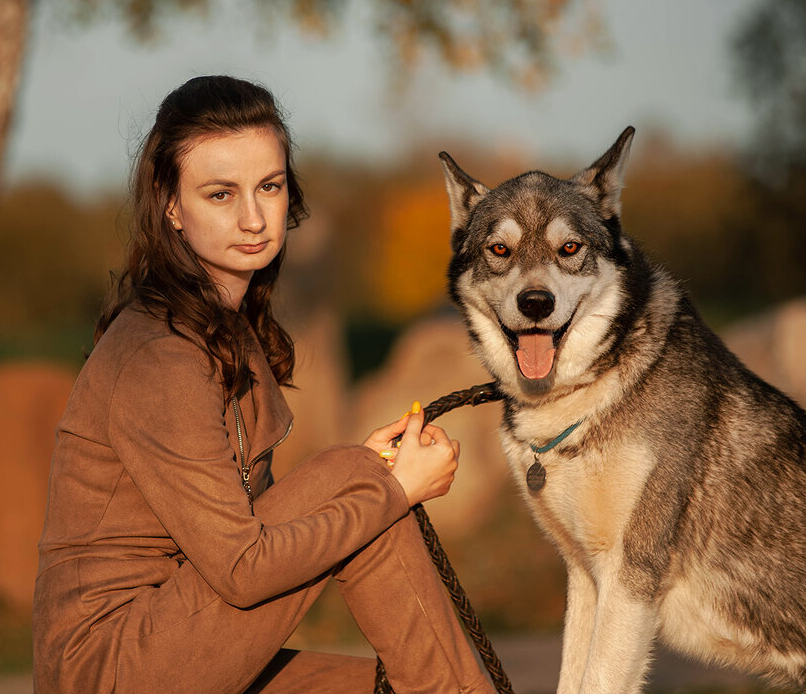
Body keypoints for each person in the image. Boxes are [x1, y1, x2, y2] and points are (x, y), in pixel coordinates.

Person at [32, 75, 494, 694]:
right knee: (355, 478)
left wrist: (381, 474)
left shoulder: (227, 331)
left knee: (381, 684)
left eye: (269, 187)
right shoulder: (158, 355)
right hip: (114, 669)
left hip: (186, 638)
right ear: (171, 205)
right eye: (220, 194)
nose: (253, 218)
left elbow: (257, 528)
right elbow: (245, 569)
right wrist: (391, 489)